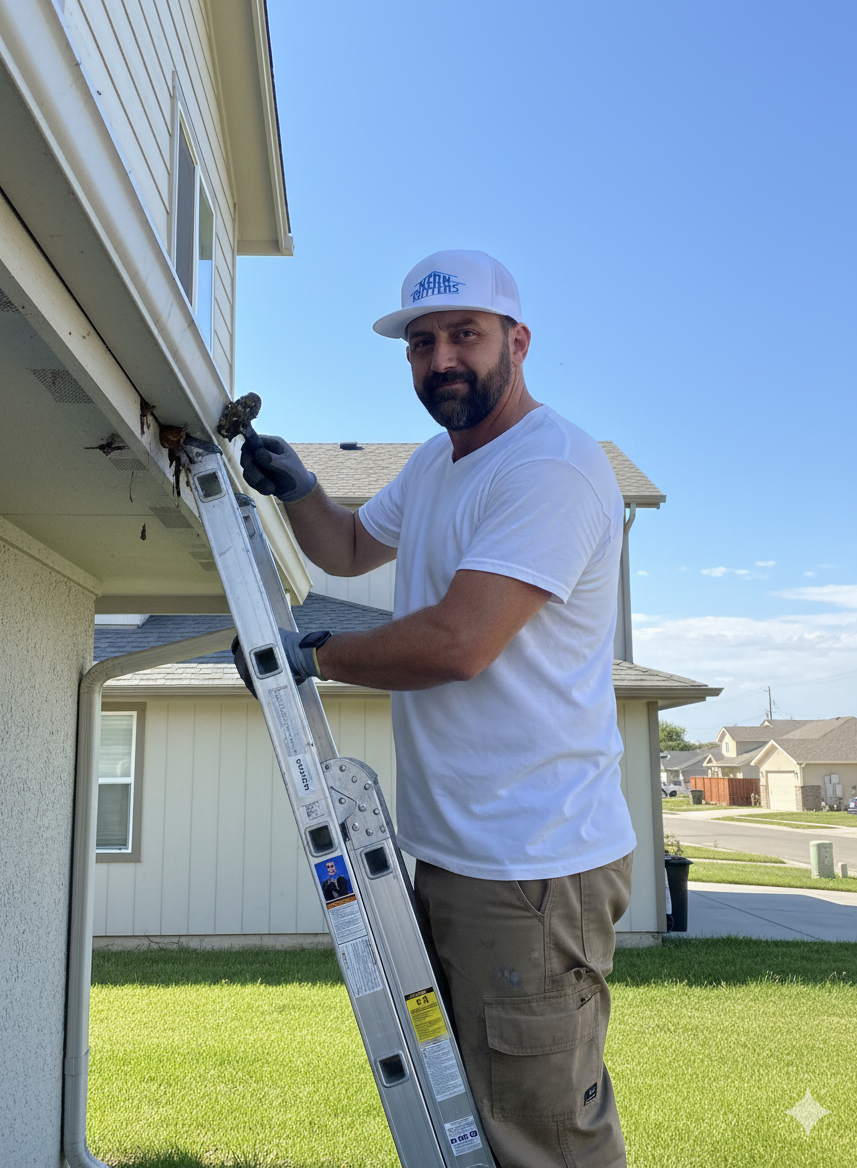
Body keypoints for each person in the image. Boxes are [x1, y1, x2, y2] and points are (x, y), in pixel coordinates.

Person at [237, 249, 637, 1168]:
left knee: (542, 1135)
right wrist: (298, 487)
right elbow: (343, 550)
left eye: (465, 335)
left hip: (533, 864)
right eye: (422, 343)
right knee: (476, 1117)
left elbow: (461, 642)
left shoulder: (552, 468)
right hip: (462, 852)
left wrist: (311, 659)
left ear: (517, 342)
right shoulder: (433, 464)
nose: (442, 359)